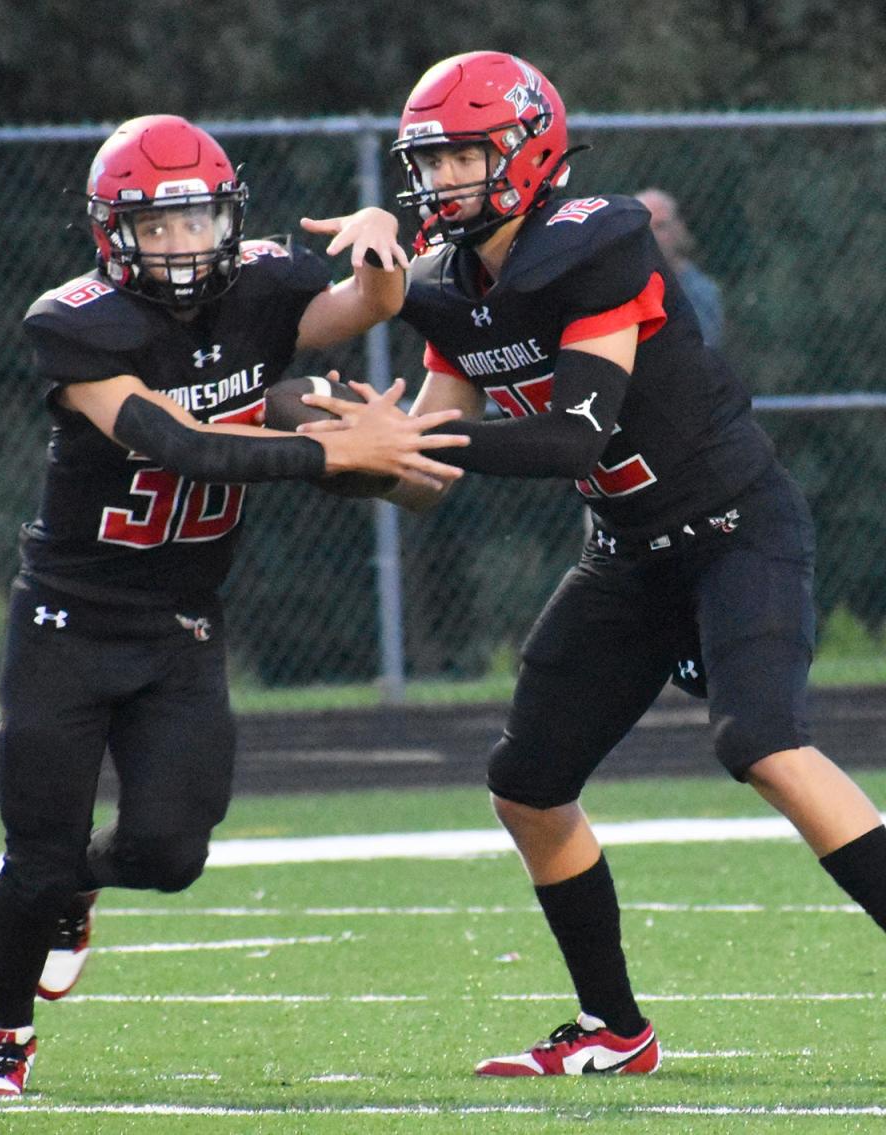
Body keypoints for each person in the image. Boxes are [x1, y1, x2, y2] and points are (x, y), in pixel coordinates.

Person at [305, 51, 886, 1078]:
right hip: (627, 555)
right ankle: (615, 1028)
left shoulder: (598, 243)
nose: (442, 183)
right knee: (526, 782)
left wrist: (409, 447)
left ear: (529, 150)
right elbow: (425, 470)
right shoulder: (449, 293)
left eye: (463, 158)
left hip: (731, 527)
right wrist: (340, 457)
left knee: (761, 740)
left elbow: (575, 436)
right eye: (429, 164)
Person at [0, 113, 468, 1099]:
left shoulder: (265, 287)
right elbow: (178, 443)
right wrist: (331, 452)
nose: (182, 246)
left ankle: (80, 889)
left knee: (172, 850)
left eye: (197, 222)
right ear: (114, 233)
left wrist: (379, 248)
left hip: (183, 620)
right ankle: (3, 1037)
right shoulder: (74, 321)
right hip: (69, 616)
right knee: (34, 854)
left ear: (229, 219)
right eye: (158, 226)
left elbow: (364, 306)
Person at [634, 187, 724, 349]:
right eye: (645, 226)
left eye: (660, 226)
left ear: (678, 228)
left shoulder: (701, 291)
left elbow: (703, 348)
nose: (653, 235)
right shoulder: (618, 286)